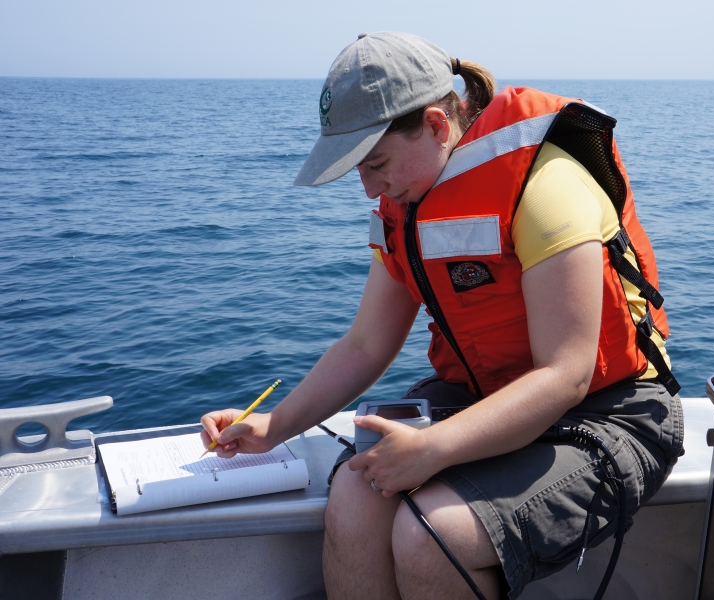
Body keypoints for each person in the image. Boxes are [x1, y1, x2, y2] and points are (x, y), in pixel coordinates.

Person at [201, 31, 684, 600]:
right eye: (358, 168)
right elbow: (364, 346)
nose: (368, 188)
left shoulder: (545, 184)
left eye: (375, 162)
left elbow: (567, 373)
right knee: (356, 496)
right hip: (484, 399)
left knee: (431, 534)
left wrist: (432, 448)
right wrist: (276, 426)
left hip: (609, 413)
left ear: (435, 125)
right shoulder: (403, 201)